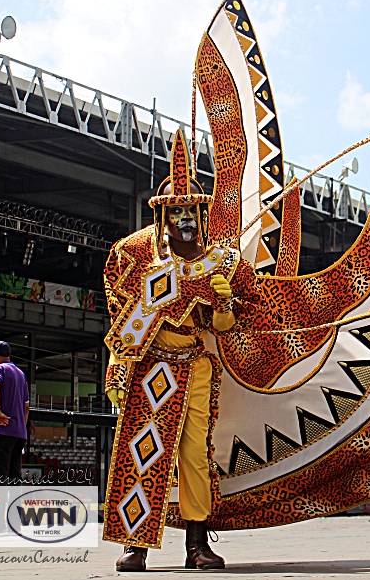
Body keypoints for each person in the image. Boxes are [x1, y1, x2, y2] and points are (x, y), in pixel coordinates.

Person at [102, 130, 259, 572]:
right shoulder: (132, 255)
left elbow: (230, 324)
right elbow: (123, 322)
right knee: (141, 450)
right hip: (150, 366)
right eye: (177, 211)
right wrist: (117, 369)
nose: (185, 219)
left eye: (192, 211)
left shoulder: (222, 263)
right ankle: (135, 546)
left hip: (196, 366)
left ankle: (196, 545)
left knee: (194, 456)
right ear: (164, 215)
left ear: (201, 214)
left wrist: (224, 303)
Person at [0, 340, 29, 483]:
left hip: (2, 432)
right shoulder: (21, 374)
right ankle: (14, 506)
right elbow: (26, 406)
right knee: (14, 479)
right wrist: (20, 427)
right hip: (19, 434)